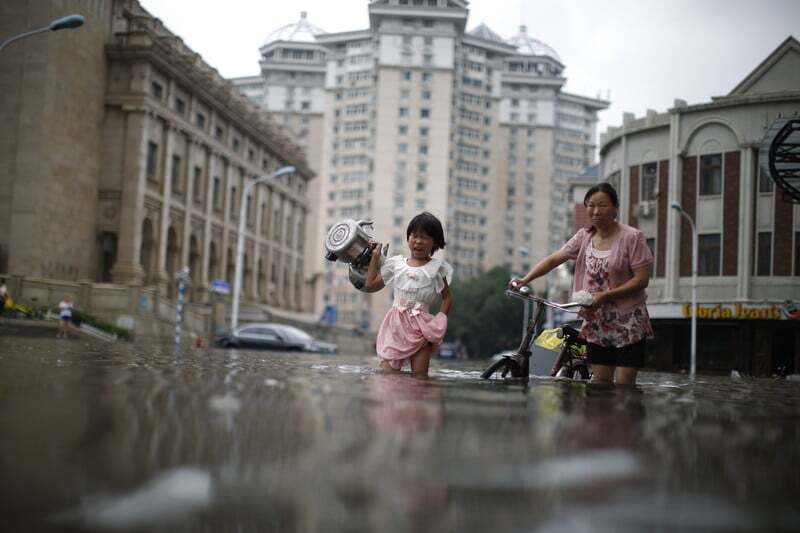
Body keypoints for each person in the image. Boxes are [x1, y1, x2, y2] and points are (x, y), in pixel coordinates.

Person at [509, 183, 653, 385]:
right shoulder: (584, 237)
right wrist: (525, 279)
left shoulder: (632, 237)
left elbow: (641, 279)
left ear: (615, 208)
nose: (595, 211)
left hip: (628, 321)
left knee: (624, 388)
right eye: (590, 205)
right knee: (600, 385)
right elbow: (554, 259)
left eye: (602, 205)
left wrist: (604, 296)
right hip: (596, 322)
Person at [363, 212, 454, 377]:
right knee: (387, 378)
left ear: (435, 242)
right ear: (408, 238)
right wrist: (375, 257)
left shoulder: (437, 269)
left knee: (419, 380)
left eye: (425, 237)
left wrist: (437, 323)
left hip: (422, 331)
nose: (418, 241)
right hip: (395, 328)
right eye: (414, 236)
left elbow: (447, 298)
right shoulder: (396, 264)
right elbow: (370, 285)